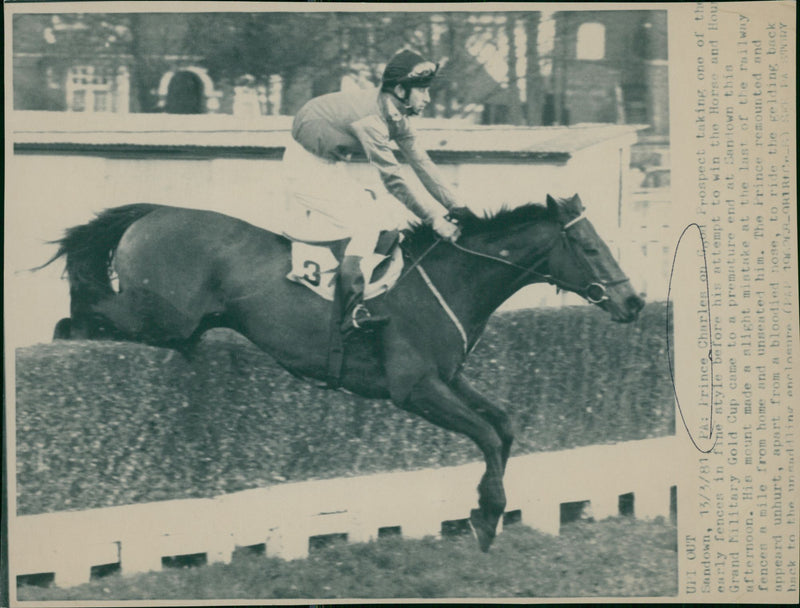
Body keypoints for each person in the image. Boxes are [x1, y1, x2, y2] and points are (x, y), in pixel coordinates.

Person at [283, 49, 463, 334]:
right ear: (401, 89)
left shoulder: (396, 114)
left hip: (328, 164)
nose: (427, 98)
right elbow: (394, 180)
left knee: (383, 217)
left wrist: (457, 206)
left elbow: (422, 163)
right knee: (365, 224)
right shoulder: (372, 121)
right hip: (306, 167)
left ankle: (358, 288)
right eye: (422, 91)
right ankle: (350, 310)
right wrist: (434, 219)